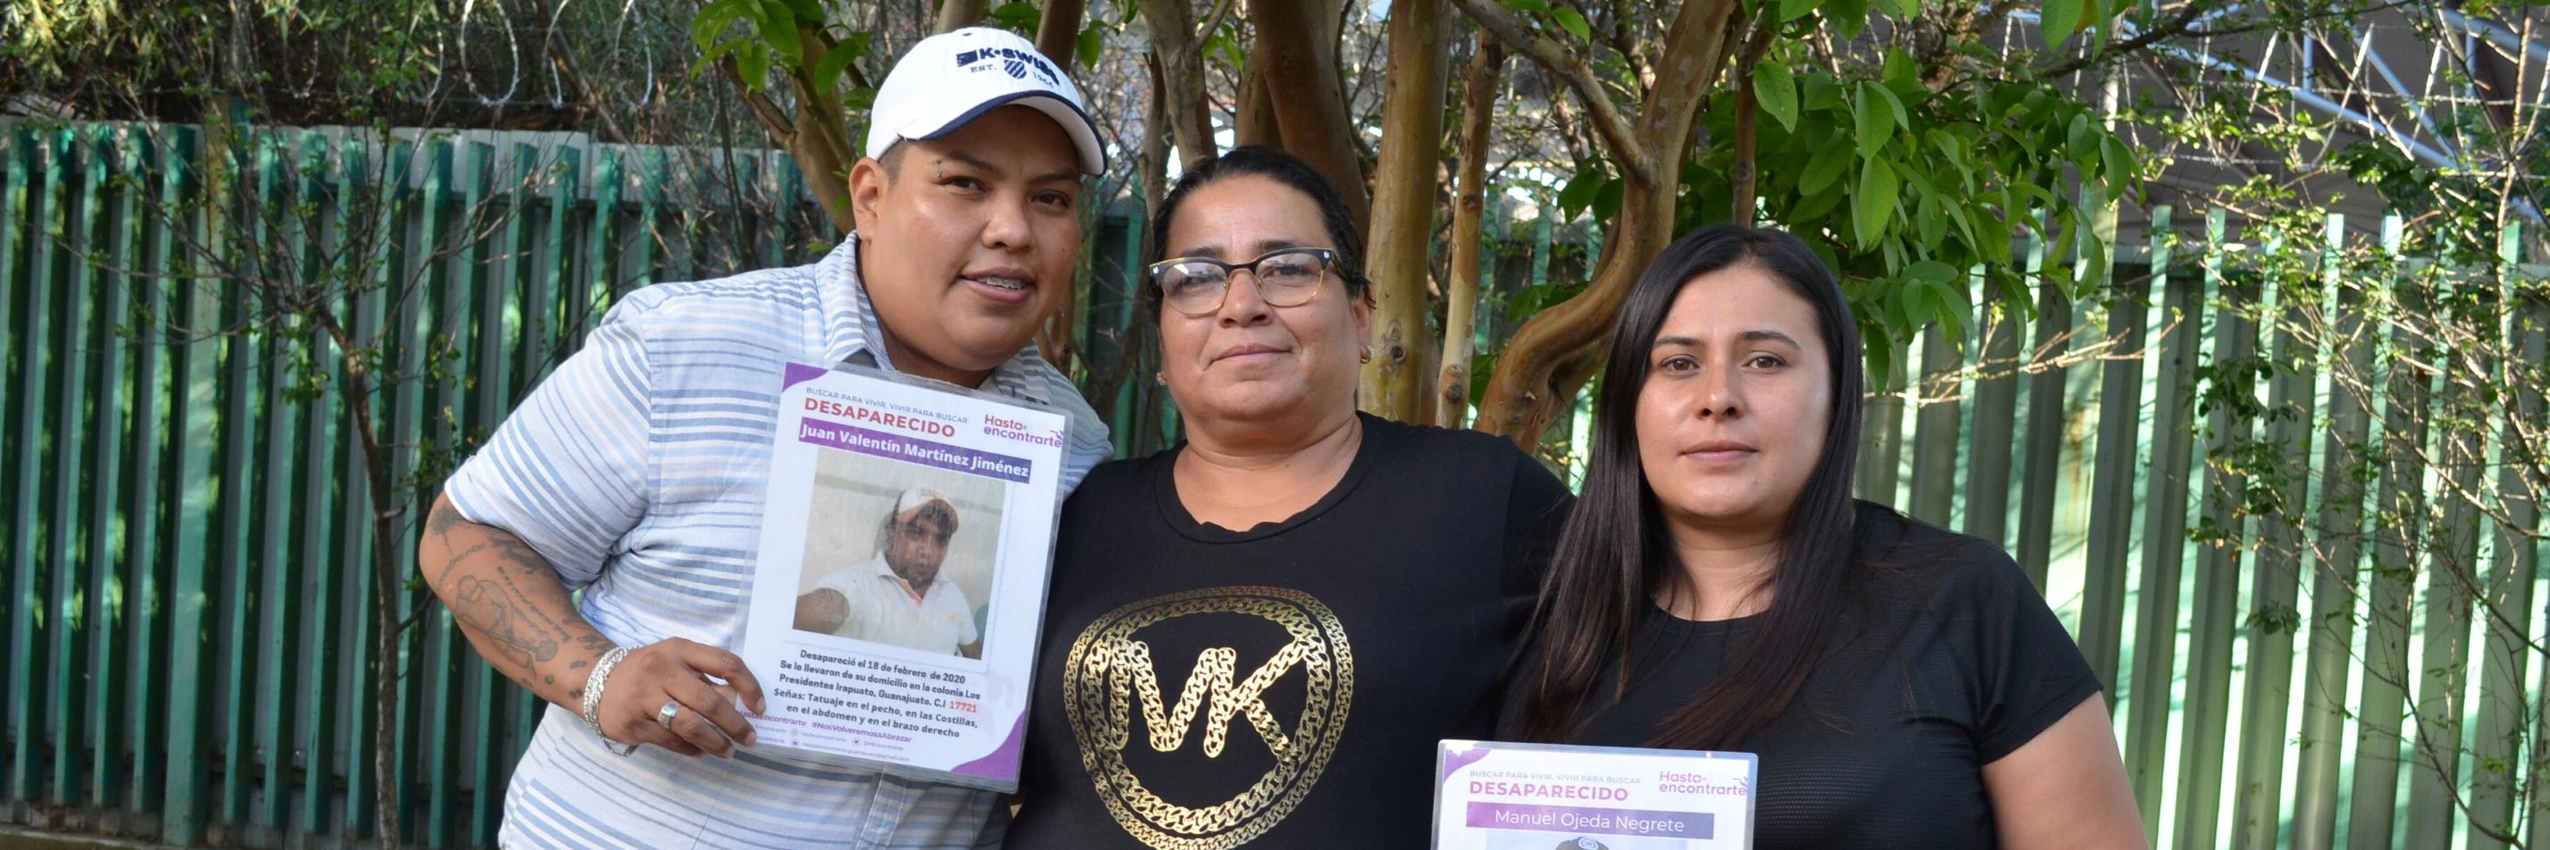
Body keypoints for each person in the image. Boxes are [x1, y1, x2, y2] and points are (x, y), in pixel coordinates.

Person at [415, 27, 1114, 849]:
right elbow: (468, 535)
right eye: (964, 183)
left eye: (1051, 199)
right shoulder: (686, 346)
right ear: (871, 196)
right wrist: (601, 675)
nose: (1012, 229)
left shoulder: (1071, 444)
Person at [1001, 145, 1575, 848]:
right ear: (1162, 335)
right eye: (1197, 277)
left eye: (1289, 269)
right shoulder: (1071, 515)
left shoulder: (1485, 499)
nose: (1242, 305)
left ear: (1363, 314)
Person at [1500, 225, 2145, 849]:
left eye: (1765, 360)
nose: (1717, 395)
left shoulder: (1963, 602)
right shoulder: (1546, 613)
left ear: (1838, 397)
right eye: (1678, 363)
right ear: (1627, 405)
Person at [793, 486, 984, 658]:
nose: (928, 550)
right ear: (890, 531)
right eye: (916, 532)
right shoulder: (857, 585)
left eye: (941, 539)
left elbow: (975, 655)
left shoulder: (952, 593)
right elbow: (819, 608)